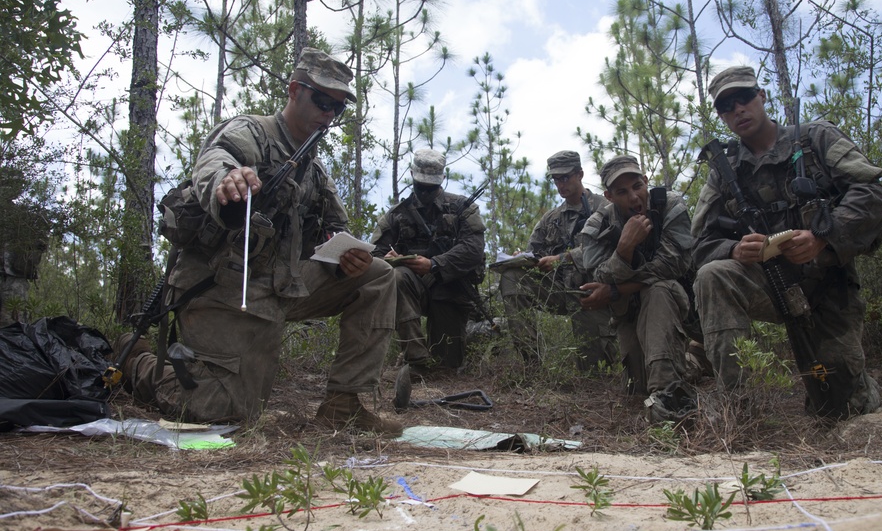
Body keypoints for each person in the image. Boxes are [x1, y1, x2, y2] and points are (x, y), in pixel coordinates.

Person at [118, 47, 401, 434]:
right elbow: (217, 160)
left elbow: (338, 231)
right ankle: (139, 361)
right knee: (224, 410)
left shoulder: (314, 170)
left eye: (338, 108)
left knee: (377, 274)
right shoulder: (251, 132)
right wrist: (226, 182)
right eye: (322, 100)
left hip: (278, 285)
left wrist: (348, 259)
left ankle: (343, 403)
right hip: (220, 287)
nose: (329, 115)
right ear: (294, 90)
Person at [691, 65, 882, 419]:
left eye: (744, 98)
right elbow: (699, 242)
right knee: (713, 275)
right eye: (726, 106)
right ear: (721, 116)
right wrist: (733, 250)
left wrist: (822, 238)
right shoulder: (724, 169)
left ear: (761, 96)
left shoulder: (815, 138)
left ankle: (860, 387)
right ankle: (738, 409)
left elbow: (870, 193)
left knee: (838, 410)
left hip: (828, 284)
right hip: (769, 283)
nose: (738, 110)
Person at [578, 155, 697, 425]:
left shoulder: (670, 205)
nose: (634, 197)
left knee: (657, 290)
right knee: (636, 387)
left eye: (637, 186)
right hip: (629, 313)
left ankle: (667, 398)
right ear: (609, 196)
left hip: (677, 306)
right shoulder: (598, 225)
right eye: (622, 192)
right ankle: (695, 359)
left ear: (645, 181)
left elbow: (672, 265)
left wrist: (616, 289)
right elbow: (595, 275)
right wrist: (624, 249)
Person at [371, 149, 486, 379]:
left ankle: (471, 337)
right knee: (397, 276)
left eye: (430, 187)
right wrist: (390, 260)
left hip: (450, 289)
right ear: (412, 174)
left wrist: (435, 264)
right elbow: (375, 252)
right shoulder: (397, 214)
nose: (424, 192)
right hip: (412, 288)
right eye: (420, 186)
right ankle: (415, 360)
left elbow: (473, 249)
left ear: (441, 179)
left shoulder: (463, 208)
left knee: (447, 368)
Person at [497, 150, 615, 370]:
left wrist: (563, 258)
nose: (560, 184)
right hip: (557, 289)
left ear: (579, 174)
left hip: (593, 291)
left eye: (565, 178)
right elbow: (533, 251)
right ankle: (531, 364)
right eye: (555, 179)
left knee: (594, 373)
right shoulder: (551, 218)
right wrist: (523, 259)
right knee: (513, 277)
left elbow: (607, 249)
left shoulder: (605, 207)